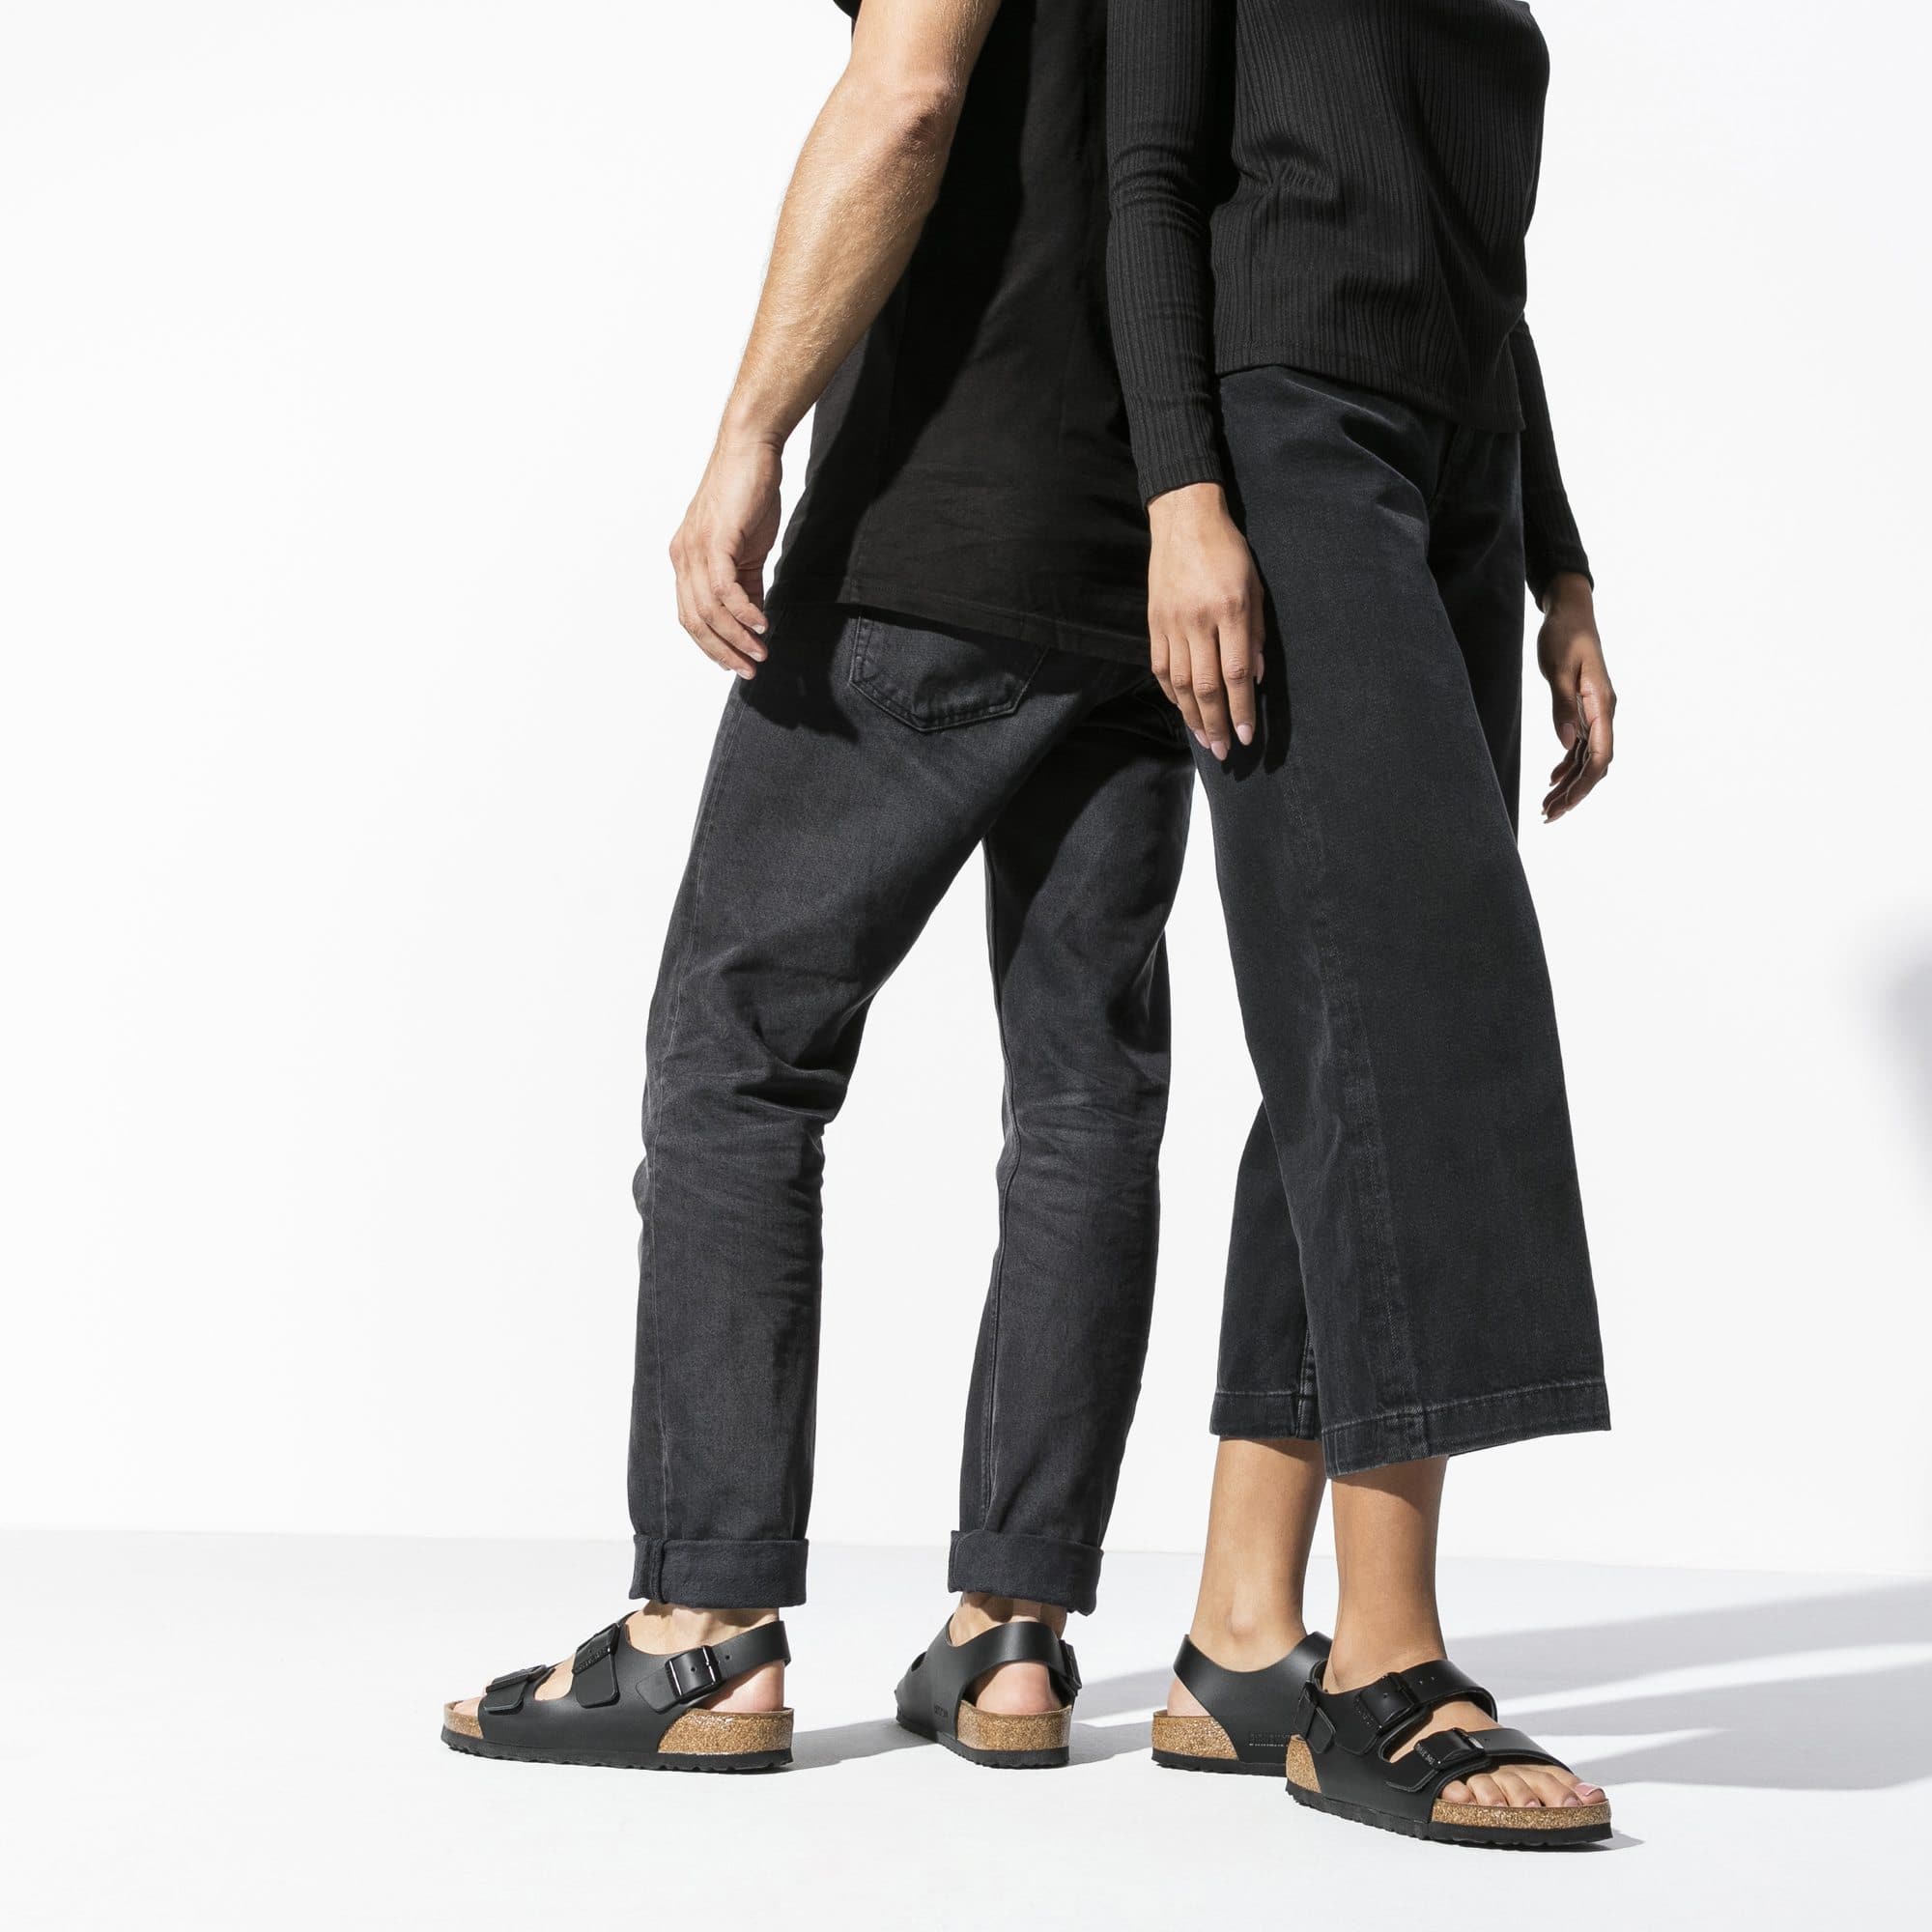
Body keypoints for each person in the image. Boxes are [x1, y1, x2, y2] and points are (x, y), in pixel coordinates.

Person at [441, 0, 1193, 1773]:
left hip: (936, 535)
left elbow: (908, 96)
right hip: (1149, 557)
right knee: (1087, 1098)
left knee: (738, 1052)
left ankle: (702, 1631)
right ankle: (1015, 1637)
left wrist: (746, 437)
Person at [1107, 0, 1618, 1847]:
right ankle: (1385, 1663)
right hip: (1288, 434)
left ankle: (1242, 1637)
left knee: (1346, 1020)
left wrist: (1559, 559)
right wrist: (1183, 495)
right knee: (1416, 1009)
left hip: (1458, 465)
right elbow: (1148, 180)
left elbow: (1484, 271)